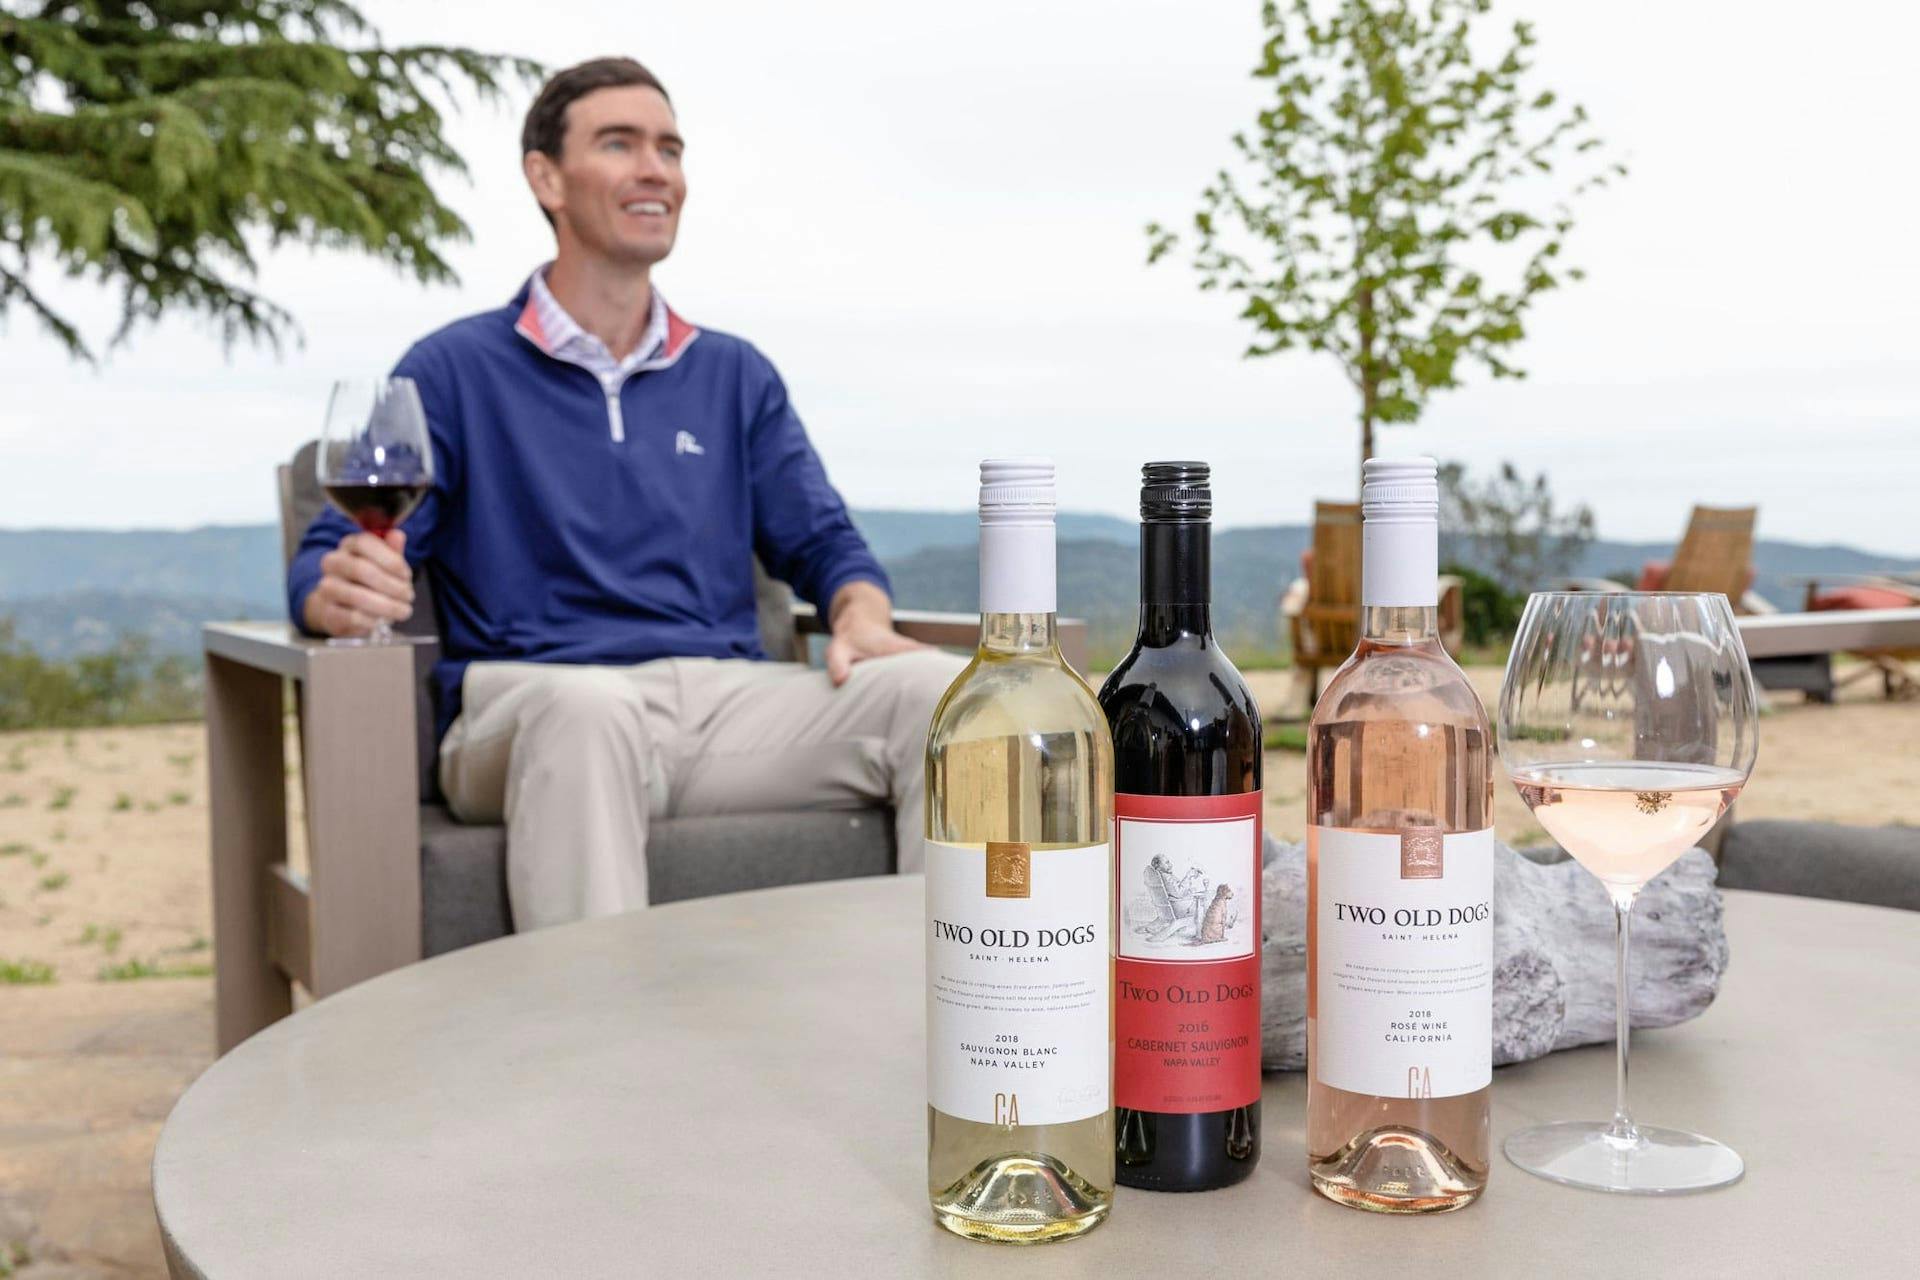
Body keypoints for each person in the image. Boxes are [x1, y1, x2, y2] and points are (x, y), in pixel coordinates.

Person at [288, 57, 962, 930]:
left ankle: (937, 1031)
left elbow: (826, 543)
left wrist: (862, 612)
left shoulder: (734, 374)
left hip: (724, 709)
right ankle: (596, 1059)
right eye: (620, 144)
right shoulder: (450, 370)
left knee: (949, 699)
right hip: (533, 703)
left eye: (670, 149)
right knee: (588, 710)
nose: (657, 170)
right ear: (546, 178)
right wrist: (332, 592)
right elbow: (325, 565)